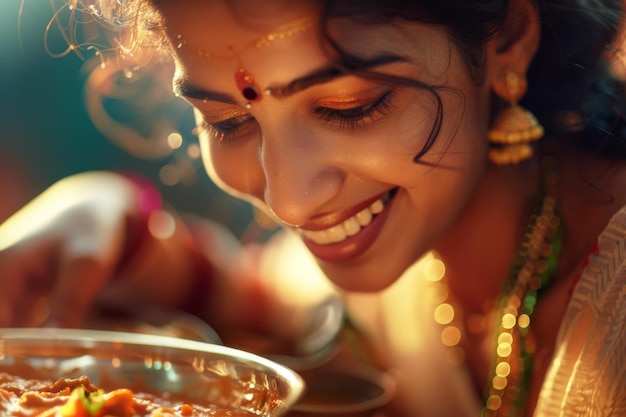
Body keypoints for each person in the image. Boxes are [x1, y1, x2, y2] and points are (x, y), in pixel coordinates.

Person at [1, 0, 626, 415]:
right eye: (225, 120)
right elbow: (261, 298)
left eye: (350, 106)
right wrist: (105, 213)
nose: (289, 198)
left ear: (507, 41)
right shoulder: (401, 265)